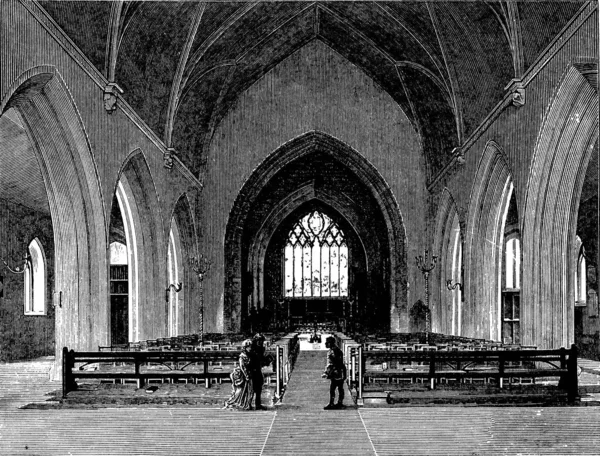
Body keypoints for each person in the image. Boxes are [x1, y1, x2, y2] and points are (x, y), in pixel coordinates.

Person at [224, 339, 254, 410]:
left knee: (250, 391)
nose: (250, 348)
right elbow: (242, 367)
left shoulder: (249, 355)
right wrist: (246, 375)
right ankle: (236, 403)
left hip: (249, 375)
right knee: (241, 391)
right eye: (248, 347)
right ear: (245, 348)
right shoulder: (242, 356)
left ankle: (247, 404)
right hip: (243, 376)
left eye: (250, 347)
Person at [322, 336, 347, 409]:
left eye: (327, 342)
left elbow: (335, 363)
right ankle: (338, 403)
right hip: (338, 371)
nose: (325, 344)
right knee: (339, 388)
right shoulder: (335, 350)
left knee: (334, 388)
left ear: (330, 343)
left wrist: (328, 372)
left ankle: (334, 403)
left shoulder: (334, 351)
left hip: (337, 372)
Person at [250, 333, 272, 410]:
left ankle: (258, 404)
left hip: (257, 369)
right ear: (255, 341)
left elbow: (261, 360)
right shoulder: (253, 349)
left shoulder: (260, 348)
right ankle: (250, 403)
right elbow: (257, 358)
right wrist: (264, 360)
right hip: (252, 370)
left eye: (261, 341)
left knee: (259, 386)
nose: (260, 343)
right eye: (259, 341)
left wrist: (266, 360)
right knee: (252, 387)